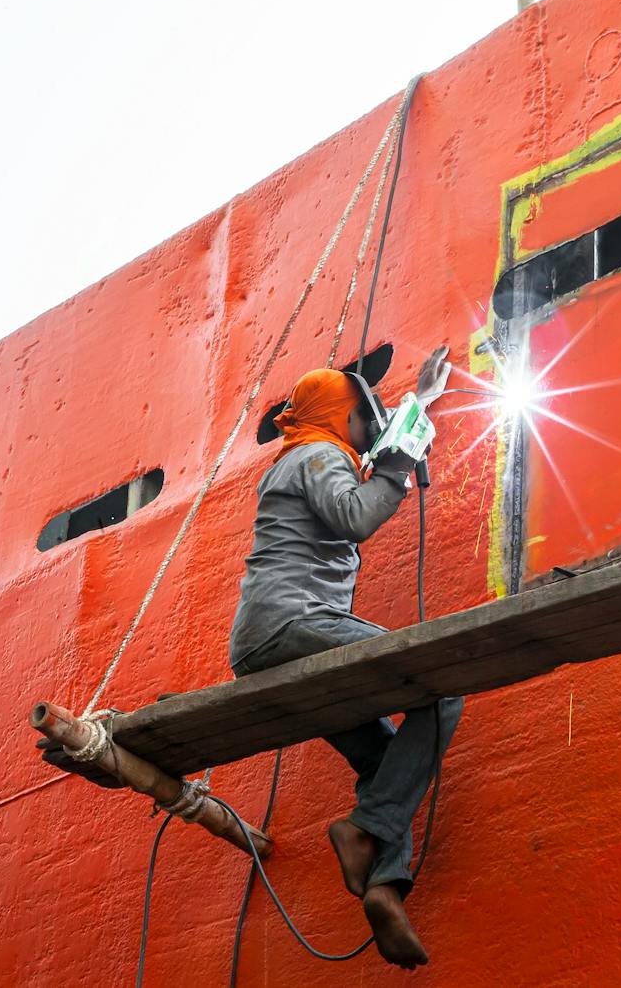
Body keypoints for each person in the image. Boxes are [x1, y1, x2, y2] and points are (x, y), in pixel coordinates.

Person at [228, 364, 461, 970]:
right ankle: (363, 831)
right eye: (360, 414)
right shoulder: (315, 456)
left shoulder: (312, 457)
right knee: (441, 691)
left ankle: (384, 886)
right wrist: (400, 465)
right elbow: (354, 516)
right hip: (291, 624)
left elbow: (372, 459)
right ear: (337, 416)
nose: (367, 425)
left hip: (271, 639)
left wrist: (422, 401)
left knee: (383, 757)